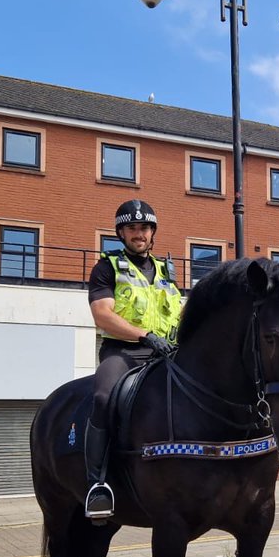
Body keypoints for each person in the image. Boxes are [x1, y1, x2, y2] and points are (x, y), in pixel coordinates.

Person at [83, 199, 181, 518]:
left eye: (144, 228)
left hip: (165, 354)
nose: (138, 233)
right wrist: (143, 335)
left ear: (152, 233)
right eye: (132, 228)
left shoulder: (167, 271)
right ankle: (96, 484)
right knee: (102, 397)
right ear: (121, 233)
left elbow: (180, 313)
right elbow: (102, 315)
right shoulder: (106, 267)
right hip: (123, 352)